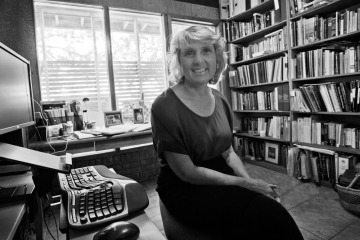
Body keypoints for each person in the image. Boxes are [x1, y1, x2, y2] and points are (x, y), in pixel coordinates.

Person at [151, 26, 304, 239]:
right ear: (179, 60)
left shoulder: (220, 99)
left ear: (216, 58)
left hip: (221, 174)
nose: (198, 60)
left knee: (267, 212)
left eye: (206, 50)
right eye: (189, 53)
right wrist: (246, 184)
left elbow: (228, 153)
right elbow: (188, 172)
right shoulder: (164, 106)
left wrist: (251, 184)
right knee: (269, 215)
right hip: (185, 187)